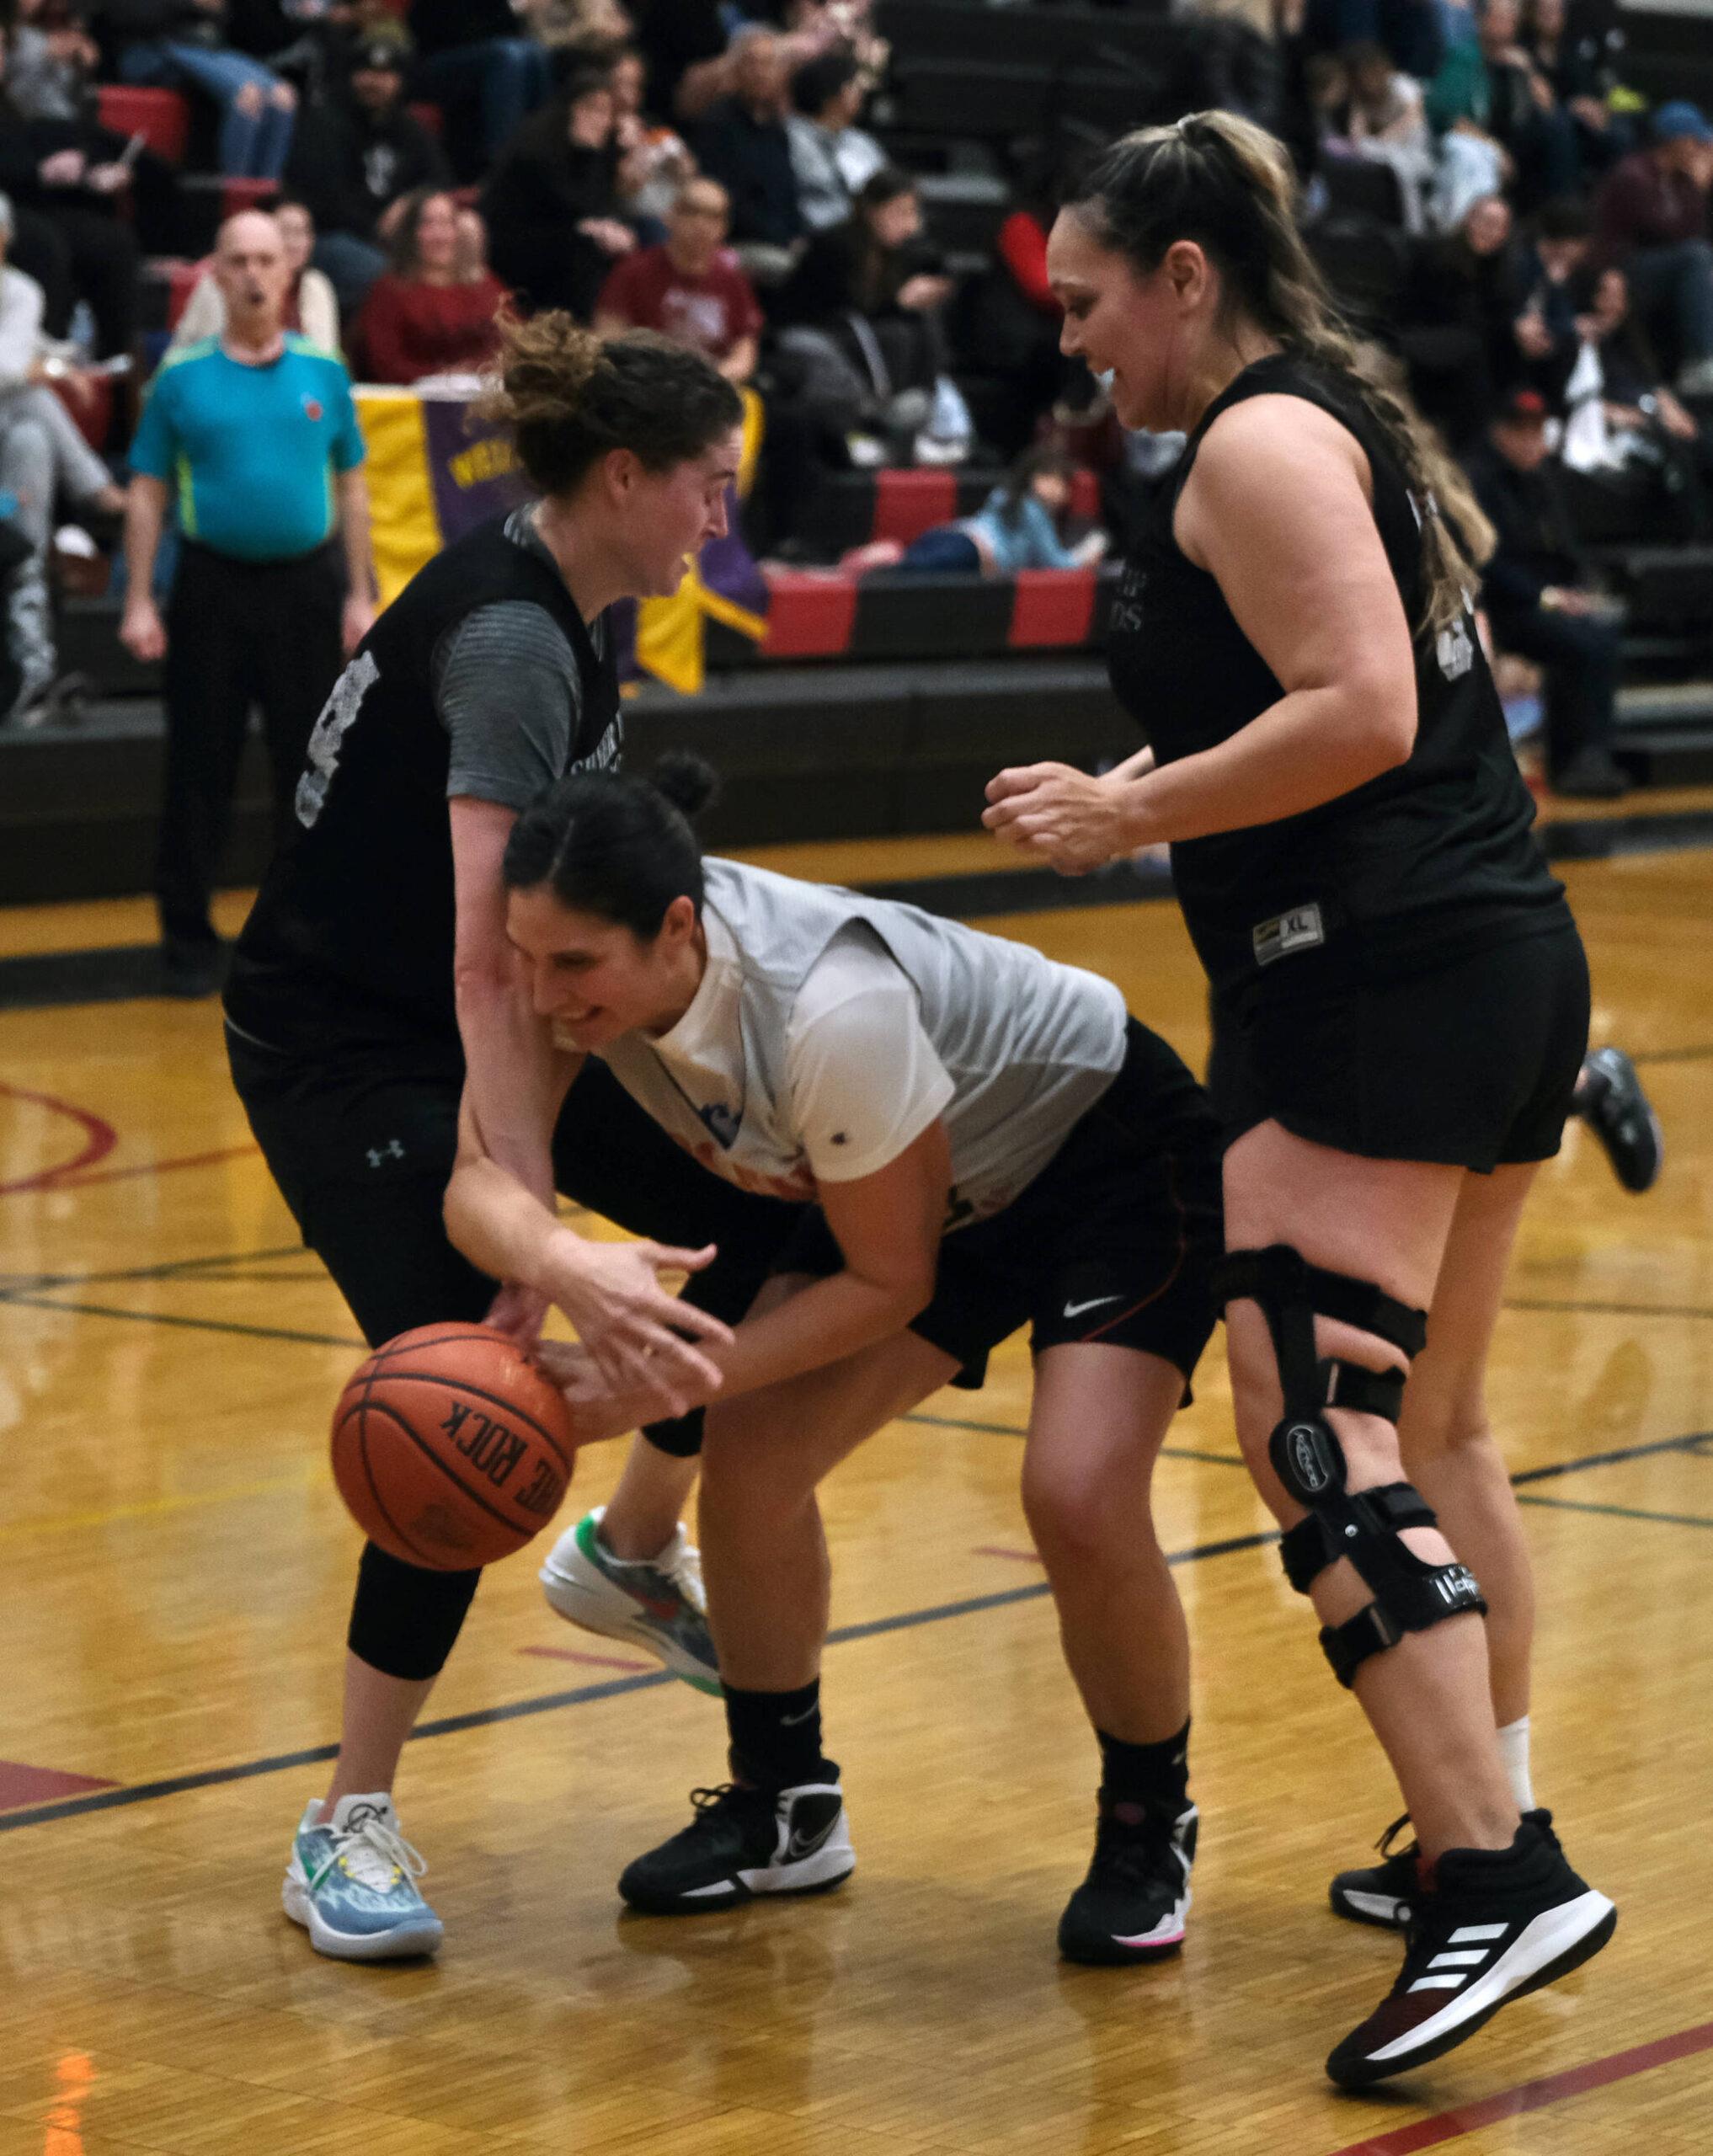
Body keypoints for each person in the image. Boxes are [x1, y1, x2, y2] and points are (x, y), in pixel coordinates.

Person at [980, 111, 1615, 2088]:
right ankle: (1478, 1822)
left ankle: (1492, 1869)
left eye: (1088, 301)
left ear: (1185, 278)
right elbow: (1331, 699)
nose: (1074, 340)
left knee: (1315, 1422)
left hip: (1371, 976)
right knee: (1429, 1422)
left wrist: (1129, 814)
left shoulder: (1253, 441)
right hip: (1471, 957)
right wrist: (1139, 787)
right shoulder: (1314, 420)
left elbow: (1362, 708)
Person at [221, 315, 814, 1963]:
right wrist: (534, 1239)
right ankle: (345, 1819)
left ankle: (629, 1549)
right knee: (463, 1392)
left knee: (763, 1207)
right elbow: (492, 964)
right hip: (344, 1048)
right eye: (705, 487)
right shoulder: (510, 642)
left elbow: (536, 975)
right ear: (622, 476)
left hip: (473, 1014)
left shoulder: (560, 609)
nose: (719, 521)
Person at [443, 758, 1225, 1960]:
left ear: (677, 928)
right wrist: (561, 1263)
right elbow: (475, 1180)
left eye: (574, 966)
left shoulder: (826, 1007)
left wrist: (659, 1378)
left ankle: (1145, 1823)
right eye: (524, 957)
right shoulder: (574, 974)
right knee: (753, 1458)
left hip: (1104, 1152)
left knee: (1075, 1492)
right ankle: (784, 1804)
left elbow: (890, 1281)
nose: (542, 995)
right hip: (924, 1177)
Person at [119, 210, 374, 996]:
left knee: (310, 768)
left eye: (267, 260)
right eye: (240, 261)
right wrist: (138, 599)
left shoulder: (324, 372)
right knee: (199, 765)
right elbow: (147, 491)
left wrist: (361, 593)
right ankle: (186, 938)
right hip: (211, 588)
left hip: (307, 588)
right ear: (218, 274)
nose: (255, 274)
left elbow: (353, 485)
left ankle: (305, 934)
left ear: (287, 272)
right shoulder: (180, 378)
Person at [1464, 385, 1630, 796]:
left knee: (1599, 633)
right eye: (1521, 431)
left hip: (1544, 600)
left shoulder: (1542, 481)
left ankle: (1583, 756)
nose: (1531, 441)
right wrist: (1547, 597)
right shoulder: (1476, 479)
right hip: (1502, 607)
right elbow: (1487, 564)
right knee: (1586, 645)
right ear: (1500, 432)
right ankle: (1583, 758)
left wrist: (1579, 591)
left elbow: (1566, 549)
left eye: (1537, 431)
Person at [0, 189, 125, 725]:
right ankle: (98, 490)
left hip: (6, 470)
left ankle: (34, 667)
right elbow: (11, 367)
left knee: (32, 438)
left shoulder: (18, 291)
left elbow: (28, 348)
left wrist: (61, 363)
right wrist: (52, 372)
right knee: (34, 399)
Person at [282, 37, 451, 320]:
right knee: (388, 278)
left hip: (394, 239)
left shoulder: (408, 128)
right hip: (330, 237)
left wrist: (410, 204)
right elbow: (327, 204)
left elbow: (440, 181)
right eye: (366, 72)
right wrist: (379, 227)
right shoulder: (324, 123)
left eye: (385, 74)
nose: (374, 82)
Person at [482, 66, 632, 323]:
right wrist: (595, 228)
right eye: (591, 108)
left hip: (563, 242)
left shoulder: (600, 155)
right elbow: (561, 206)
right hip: (516, 245)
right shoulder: (535, 149)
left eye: (606, 112)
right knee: (585, 253)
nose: (600, 120)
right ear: (568, 108)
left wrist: (612, 227)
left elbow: (601, 205)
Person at [93, 0, 298, 181]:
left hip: (204, 45)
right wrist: (191, 5)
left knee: (283, 96)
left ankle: (265, 195)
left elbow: (223, 17)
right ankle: (237, 194)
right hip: (152, 46)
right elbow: (130, 14)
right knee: (246, 95)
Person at [1590, 102, 1713, 398]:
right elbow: (1668, 232)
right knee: (1695, 257)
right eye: (1697, 142)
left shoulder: (1678, 179)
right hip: (1620, 270)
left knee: (1700, 262)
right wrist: (1699, 187)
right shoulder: (1634, 176)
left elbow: (1691, 232)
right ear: (1678, 141)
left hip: (1660, 267)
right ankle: (1699, 362)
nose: (1702, 150)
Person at [593, 176, 760, 382]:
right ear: (670, 215)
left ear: (724, 227)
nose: (701, 224)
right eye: (692, 211)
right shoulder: (634, 271)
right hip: (646, 383)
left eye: (714, 216)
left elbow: (745, 352)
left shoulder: (733, 281)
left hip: (711, 387)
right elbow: (607, 336)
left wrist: (714, 382)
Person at [355, 188, 505, 385]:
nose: (440, 236)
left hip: (484, 391)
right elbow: (386, 363)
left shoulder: (483, 283)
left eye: (447, 223)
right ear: (411, 232)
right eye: (428, 224)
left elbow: (512, 340)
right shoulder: (389, 291)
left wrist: (484, 370)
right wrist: (444, 377)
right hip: (413, 398)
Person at [688, 26, 803, 280]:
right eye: (751, 63)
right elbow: (725, 198)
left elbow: (789, 193)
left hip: (781, 241)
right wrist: (780, 237)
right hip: (738, 242)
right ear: (735, 71)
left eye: (768, 64)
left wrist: (796, 235)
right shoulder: (715, 124)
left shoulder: (777, 129)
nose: (760, 73)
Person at [889, 446, 1105, 574]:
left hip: (951, 536)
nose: (1057, 488)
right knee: (903, 574)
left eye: (1062, 483)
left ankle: (884, 558)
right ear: (1031, 476)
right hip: (968, 551)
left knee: (905, 569)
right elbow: (1057, 565)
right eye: (1050, 477)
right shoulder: (1031, 509)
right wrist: (1088, 556)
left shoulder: (1006, 495)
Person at [170, 194, 339, 352]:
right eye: (285, 231)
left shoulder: (316, 285)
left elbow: (325, 352)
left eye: (302, 232)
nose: (294, 242)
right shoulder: (220, 280)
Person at [405, 0, 552, 178]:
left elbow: (509, 31)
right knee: (509, 57)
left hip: (488, 55)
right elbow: (446, 32)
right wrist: (513, 9)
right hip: (436, 62)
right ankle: (502, 165)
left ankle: (540, 154)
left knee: (536, 53)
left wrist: (518, 11)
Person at [786, 46, 882, 235]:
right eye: (854, 86)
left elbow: (886, 190)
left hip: (867, 235)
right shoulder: (792, 138)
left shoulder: (861, 143)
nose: (861, 93)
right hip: (817, 234)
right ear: (834, 92)